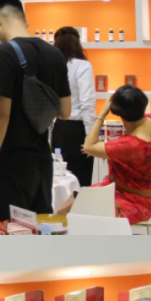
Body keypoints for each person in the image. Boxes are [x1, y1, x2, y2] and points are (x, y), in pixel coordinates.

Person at [0, 0, 72, 221]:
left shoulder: (5, 53)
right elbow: (65, 111)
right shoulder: (55, 54)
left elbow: (0, 116)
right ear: (24, 19)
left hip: (12, 162)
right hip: (42, 160)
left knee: (14, 228)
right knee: (40, 225)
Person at [59, 85, 151, 225]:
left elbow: (88, 147)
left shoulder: (131, 145)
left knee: (80, 212)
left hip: (133, 202)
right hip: (115, 190)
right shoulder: (150, 120)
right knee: (70, 204)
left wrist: (102, 114)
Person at [52, 27, 97, 187]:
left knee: (59, 180)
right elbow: (87, 104)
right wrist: (91, 135)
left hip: (59, 128)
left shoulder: (53, 67)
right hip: (77, 131)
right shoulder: (83, 66)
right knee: (80, 181)